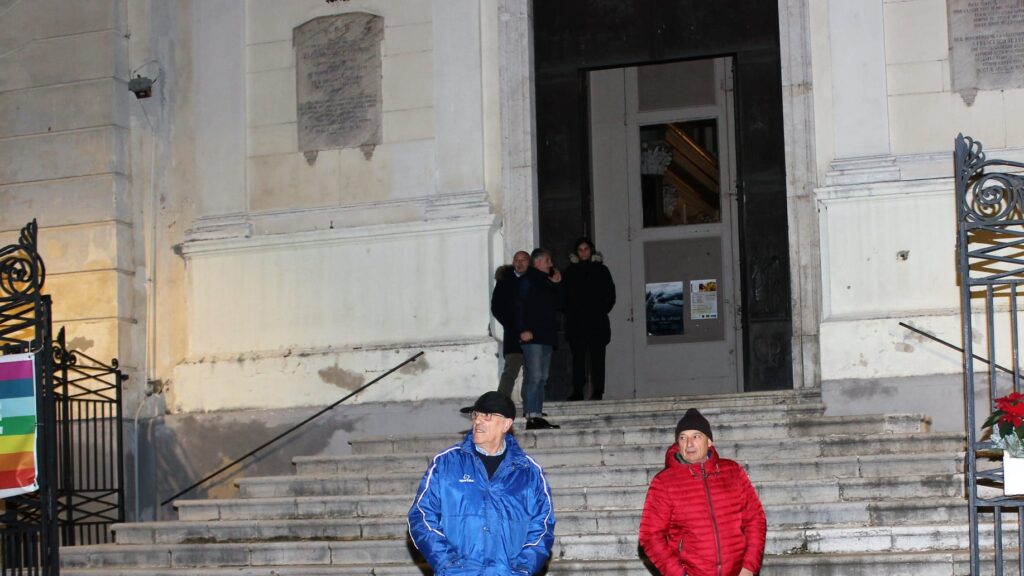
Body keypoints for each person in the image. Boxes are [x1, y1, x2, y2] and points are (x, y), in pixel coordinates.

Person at [408, 391, 556, 575]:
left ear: (506, 424)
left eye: (486, 416)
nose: (477, 421)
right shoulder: (445, 463)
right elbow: (421, 516)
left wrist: (523, 569)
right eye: (475, 415)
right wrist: (448, 565)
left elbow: (542, 526)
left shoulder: (529, 471)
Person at [638, 408, 766, 576]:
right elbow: (650, 536)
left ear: (709, 442)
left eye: (696, 436)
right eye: (683, 438)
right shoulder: (664, 482)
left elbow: (756, 520)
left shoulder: (732, 471)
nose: (689, 444)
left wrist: (749, 567)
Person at [562, 237, 615, 401]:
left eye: (586, 249)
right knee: (578, 359)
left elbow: (610, 295)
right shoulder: (569, 273)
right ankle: (578, 390)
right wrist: (571, 312)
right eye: (580, 249)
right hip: (576, 324)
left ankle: (598, 391)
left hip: (596, 323)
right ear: (576, 253)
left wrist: (598, 311)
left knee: (598, 359)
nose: (584, 252)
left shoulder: (602, 271)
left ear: (591, 251)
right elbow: (564, 297)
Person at [517, 248, 563, 430]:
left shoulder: (546, 282)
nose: (551, 264)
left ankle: (537, 412)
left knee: (542, 377)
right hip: (532, 336)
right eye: (548, 261)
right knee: (534, 376)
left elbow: (560, 304)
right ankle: (531, 415)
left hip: (546, 336)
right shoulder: (527, 280)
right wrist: (522, 329)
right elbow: (518, 306)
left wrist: (557, 284)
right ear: (538, 262)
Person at [492, 251, 531, 400]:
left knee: (533, 374)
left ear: (529, 262)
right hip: (513, 336)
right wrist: (513, 327)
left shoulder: (535, 280)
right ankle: (500, 405)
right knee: (510, 372)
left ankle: (531, 405)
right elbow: (497, 307)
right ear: (513, 262)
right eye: (517, 260)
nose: (520, 263)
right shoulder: (504, 281)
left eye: (524, 260)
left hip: (534, 336)